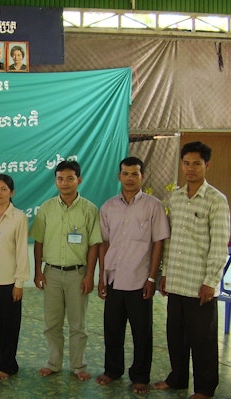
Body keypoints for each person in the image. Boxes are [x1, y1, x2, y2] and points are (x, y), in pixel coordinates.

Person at [153, 142, 230, 399]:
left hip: (200, 286)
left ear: (207, 165)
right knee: (176, 336)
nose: (190, 168)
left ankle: (205, 389)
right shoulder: (174, 197)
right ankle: (177, 379)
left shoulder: (216, 200)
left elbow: (219, 246)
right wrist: (164, 273)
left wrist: (211, 282)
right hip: (176, 281)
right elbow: (169, 240)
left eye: (197, 163)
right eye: (186, 163)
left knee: (203, 340)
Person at [96, 157, 169, 394]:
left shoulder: (153, 206)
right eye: (125, 174)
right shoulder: (108, 207)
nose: (129, 178)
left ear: (142, 177)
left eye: (134, 174)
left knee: (142, 332)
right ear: (119, 176)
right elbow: (104, 243)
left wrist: (152, 278)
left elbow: (158, 243)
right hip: (114, 279)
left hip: (140, 281)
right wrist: (101, 277)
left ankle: (140, 376)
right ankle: (112, 370)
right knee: (112, 330)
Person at [30, 160, 102, 381]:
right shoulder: (46, 208)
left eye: (70, 178)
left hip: (78, 275)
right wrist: (38, 271)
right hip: (51, 273)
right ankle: (53, 363)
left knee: (77, 324)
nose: (65, 183)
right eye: (60, 178)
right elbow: (39, 242)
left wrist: (90, 275)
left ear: (79, 180)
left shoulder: (90, 209)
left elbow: (94, 245)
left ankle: (78, 365)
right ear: (55, 181)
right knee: (52, 323)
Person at [0, 174, 30, 380]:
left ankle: (7, 365)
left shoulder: (19, 217)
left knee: (9, 325)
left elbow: (21, 251)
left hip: (10, 281)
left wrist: (19, 282)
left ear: (12, 192)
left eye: (3, 189)